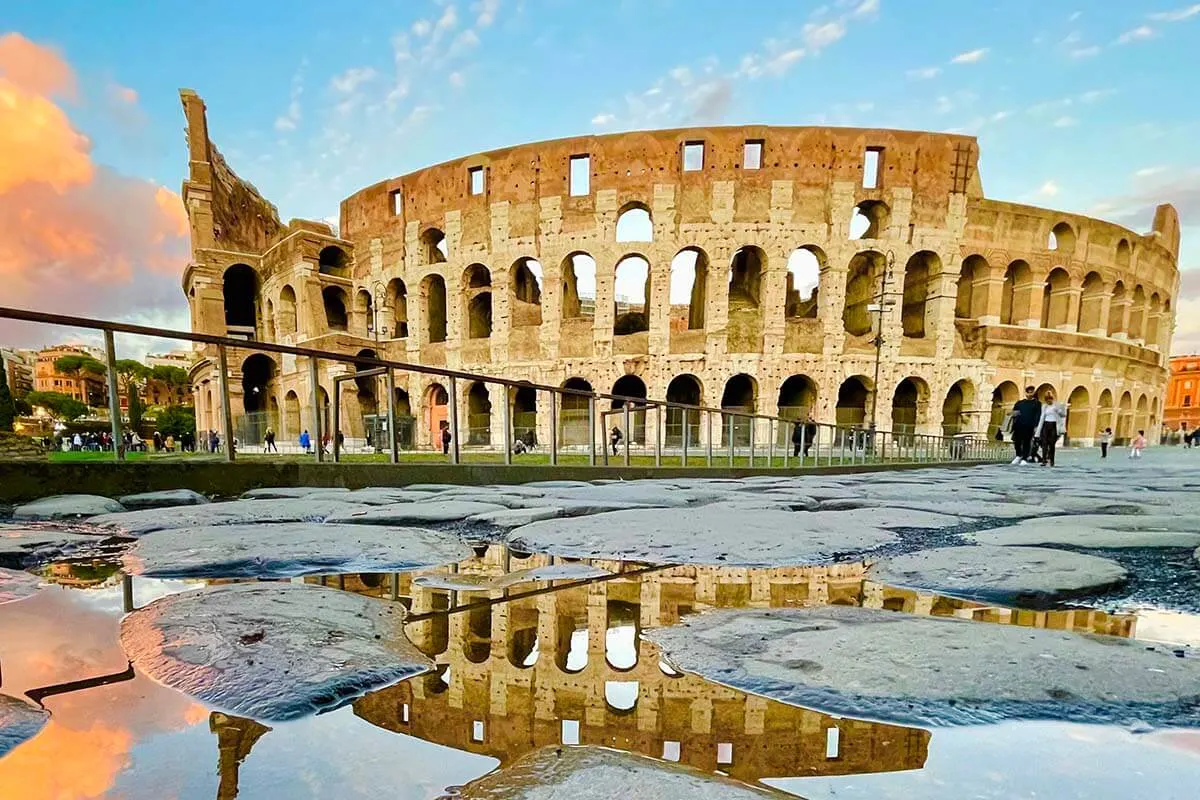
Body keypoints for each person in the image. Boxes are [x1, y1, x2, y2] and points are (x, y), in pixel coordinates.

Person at [1033, 390, 1067, 467]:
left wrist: (1058, 411)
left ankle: (1052, 460)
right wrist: (1038, 431)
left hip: (1054, 425)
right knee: (1044, 443)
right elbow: (1042, 417)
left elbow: (1063, 415)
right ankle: (1044, 460)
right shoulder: (1044, 407)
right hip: (1045, 425)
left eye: (1050, 399)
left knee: (1052, 444)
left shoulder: (1057, 406)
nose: (1049, 400)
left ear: (1052, 398)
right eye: (1047, 399)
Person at [1010, 386, 1042, 465]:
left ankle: (1024, 457)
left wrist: (1036, 426)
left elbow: (1038, 415)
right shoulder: (1019, 403)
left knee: (1026, 442)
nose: (1029, 394)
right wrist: (1011, 415)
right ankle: (1018, 455)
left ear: (1034, 393)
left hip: (1029, 426)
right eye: (1028, 392)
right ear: (1025, 393)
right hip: (1018, 425)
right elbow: (1014, 412)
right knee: (1017, 441)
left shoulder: (1037, 404)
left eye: (1031, 392)